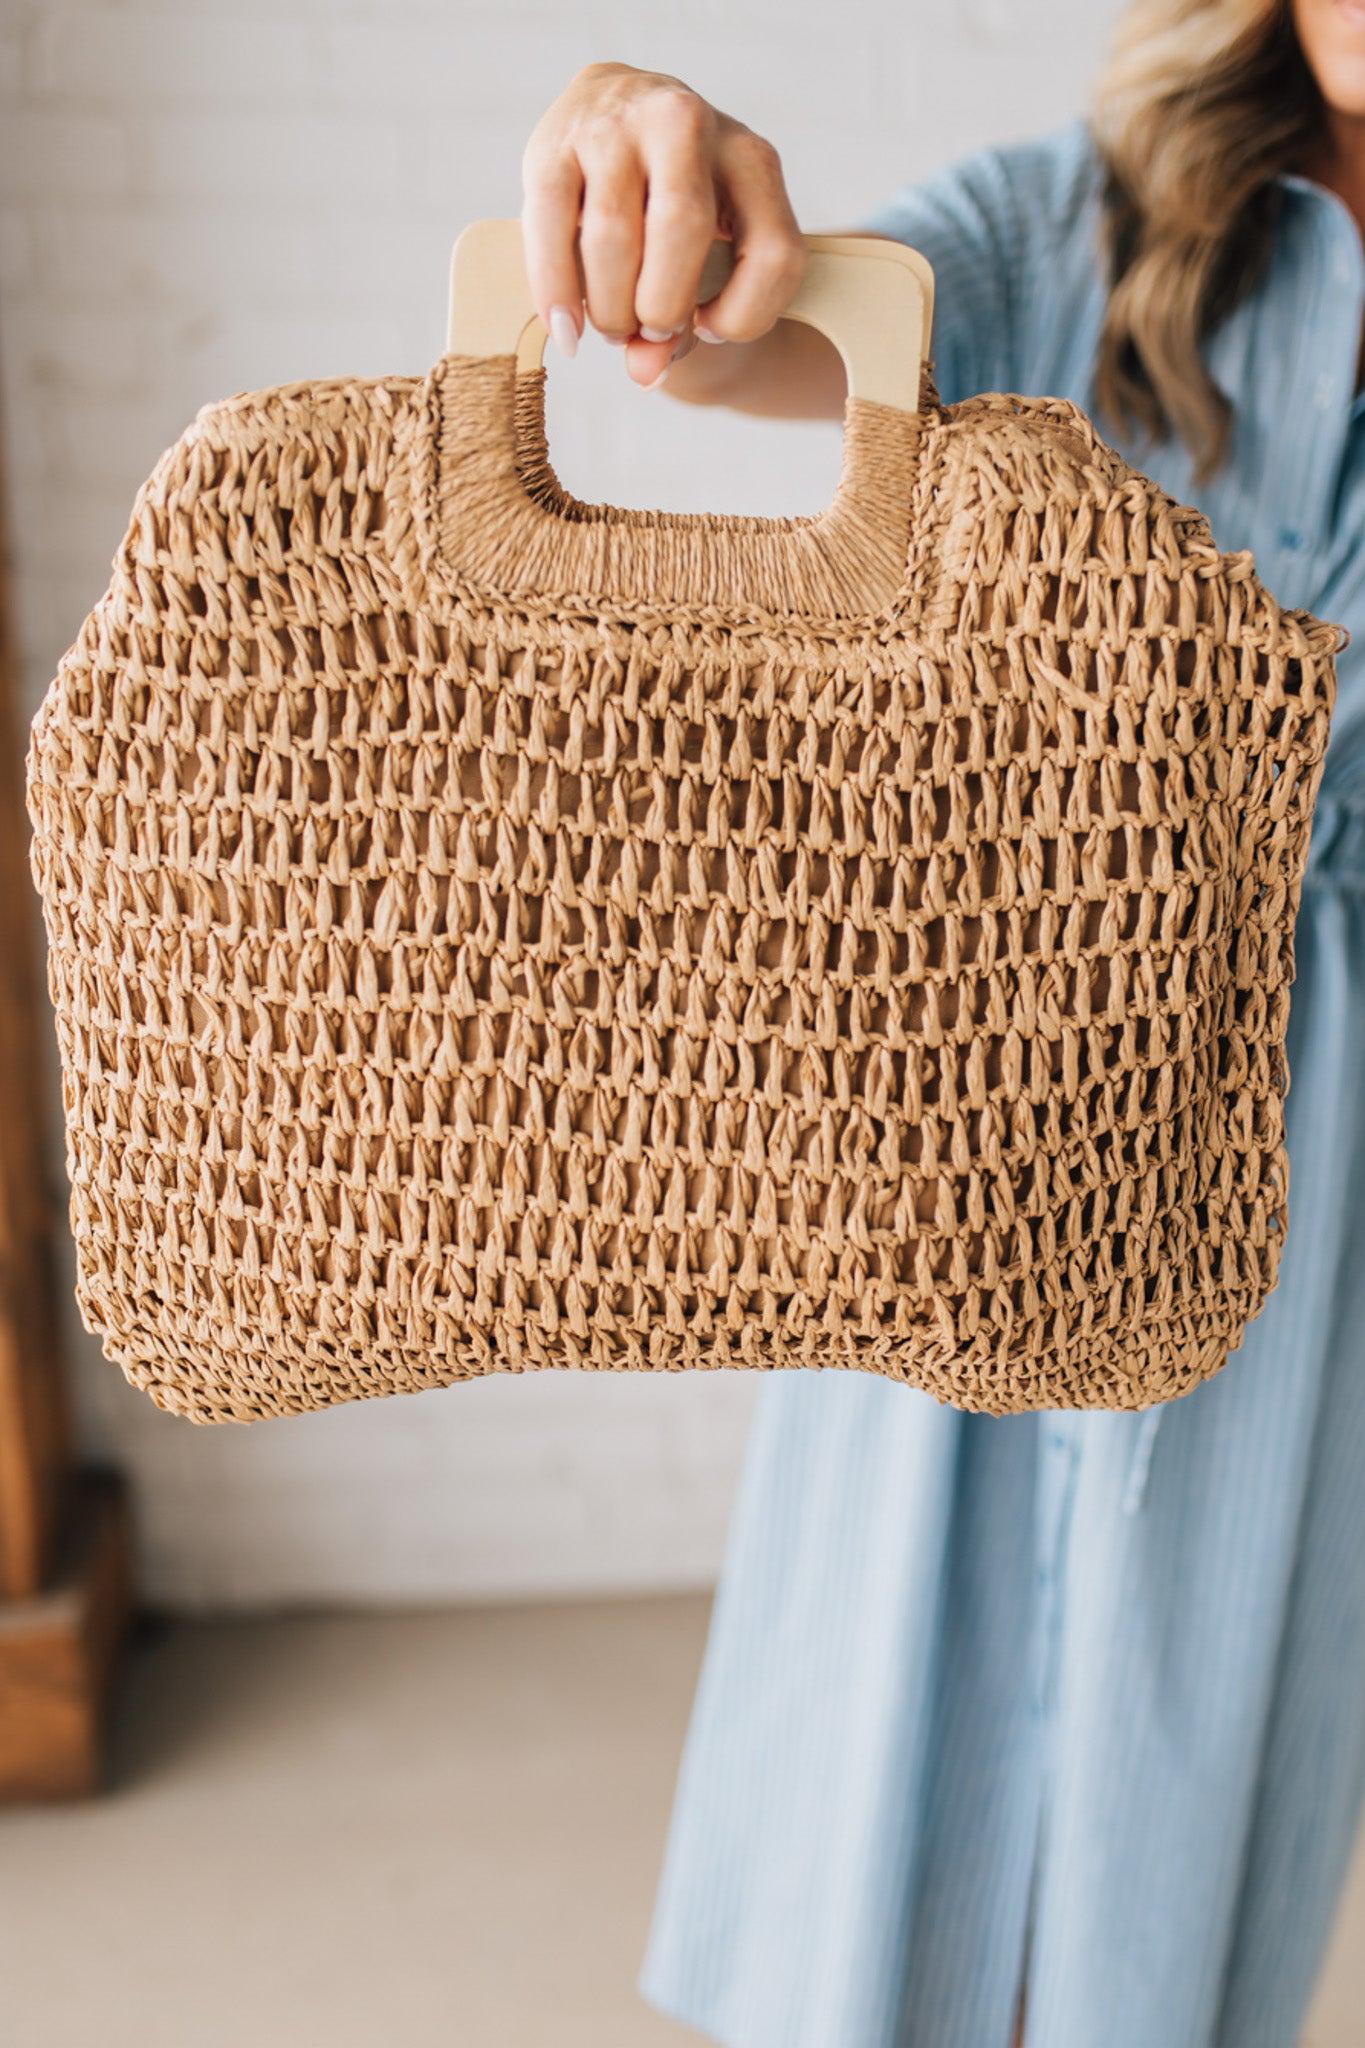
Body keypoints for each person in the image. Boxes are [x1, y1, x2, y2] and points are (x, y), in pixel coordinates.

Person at [519, 4, 1365, 2043]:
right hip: (996, 1075)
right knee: (887, 1754)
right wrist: (657, 167)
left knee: (1195, 1784)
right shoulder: (1073, 223)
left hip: (1325, 1150)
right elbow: (742, 335)